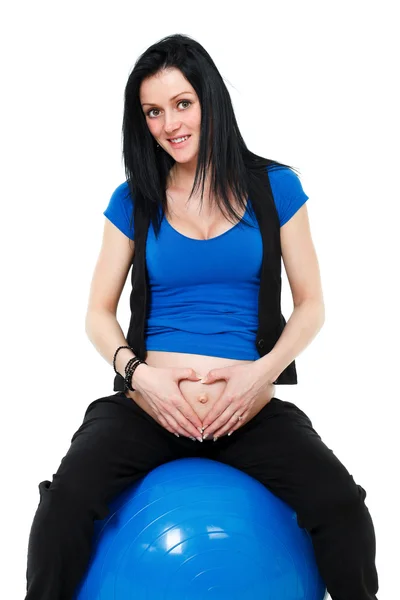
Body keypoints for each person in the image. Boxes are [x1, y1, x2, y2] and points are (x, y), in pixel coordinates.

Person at [24, 33, 379, 600]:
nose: (170, 124)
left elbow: (311, 304)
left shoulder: (276, 188)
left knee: (342, 505)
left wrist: (262, 374)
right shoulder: (133, 198)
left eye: (182, 103)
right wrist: (141, 376)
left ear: (209, 99)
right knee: (64, 503)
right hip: (149, 407)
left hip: (247, 409)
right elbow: (97, 312)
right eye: (153, 112)